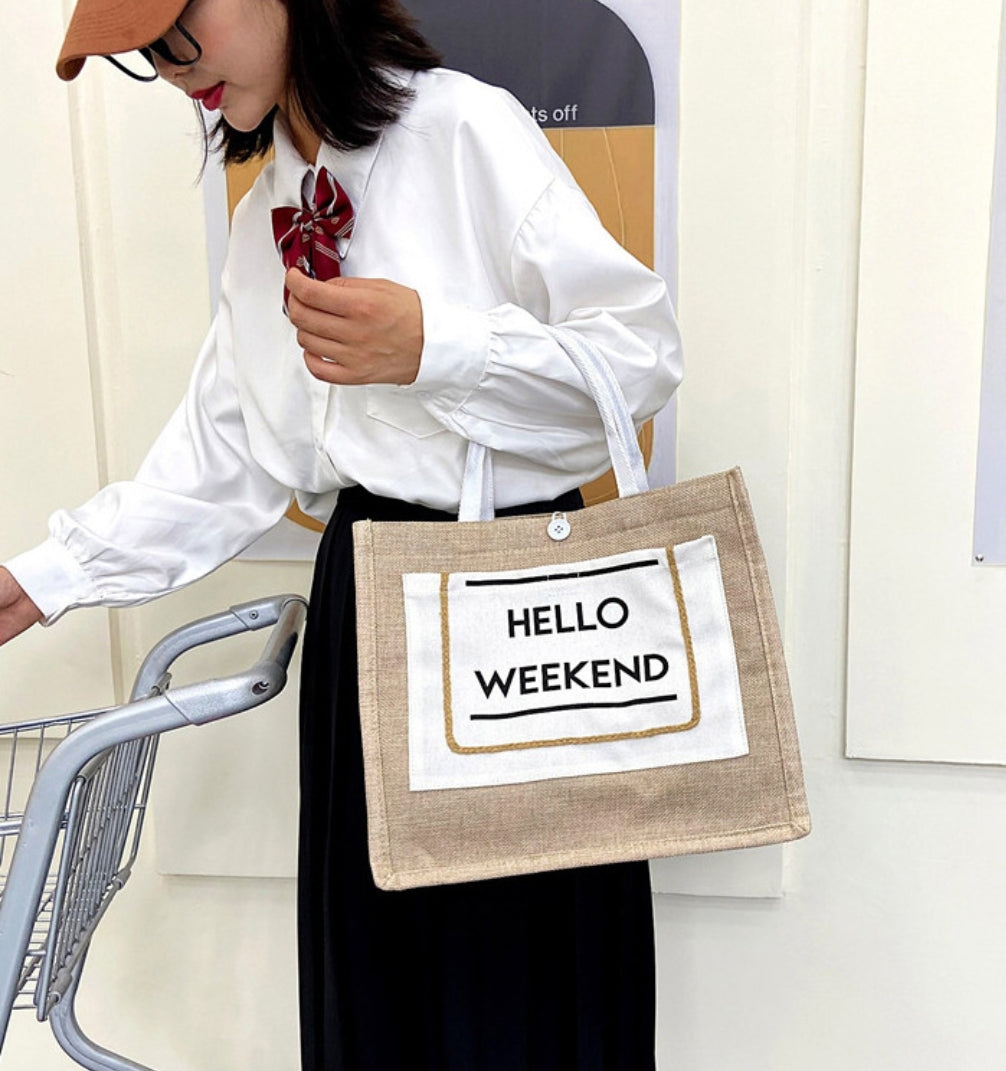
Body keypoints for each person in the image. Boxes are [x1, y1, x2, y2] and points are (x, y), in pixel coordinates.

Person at [0, 0, 682, 1066]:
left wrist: (439, 347)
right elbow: (230, 452)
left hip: (515, 600)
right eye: (145, 51)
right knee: (385, 978)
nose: (172, 65)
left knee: (525, 967)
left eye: (181, 23)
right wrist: (45, 575)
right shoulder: (269, 209)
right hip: (369, 604)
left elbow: (640, 355)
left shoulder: (461, 128)